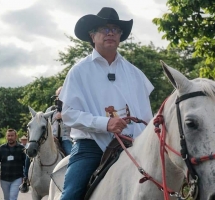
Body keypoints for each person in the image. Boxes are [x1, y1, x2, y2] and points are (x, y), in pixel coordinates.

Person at [59, 7, 154, 200]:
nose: (110, 33)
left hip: (134, 146)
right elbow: (68, 114)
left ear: (120, 36)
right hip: (91, 146)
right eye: (104, 29)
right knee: (72, 194)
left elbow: (146, 118)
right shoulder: (78, 71)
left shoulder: (135, 74)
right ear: (92, 36)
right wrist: (105, 124)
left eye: (115, 29)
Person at [0, 129, 26, 200]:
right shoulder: (1, 148)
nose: (10, 137)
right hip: (4, 178)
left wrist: (25, 176)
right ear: (6, 137)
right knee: (6, 198)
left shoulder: (22, 149)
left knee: (12, 197)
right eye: (8, 136)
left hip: (17, 178)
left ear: (16, 136)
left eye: (12, 135)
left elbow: (25, 163)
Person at [46, 86, 72, 155]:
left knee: (70, 155)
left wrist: (64, 116)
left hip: (66, 138)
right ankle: (27, 166)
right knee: (32, 155)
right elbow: (45, 125)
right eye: (59, 94)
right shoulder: (50, 110)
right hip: (51, 138)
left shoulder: (71, 109)